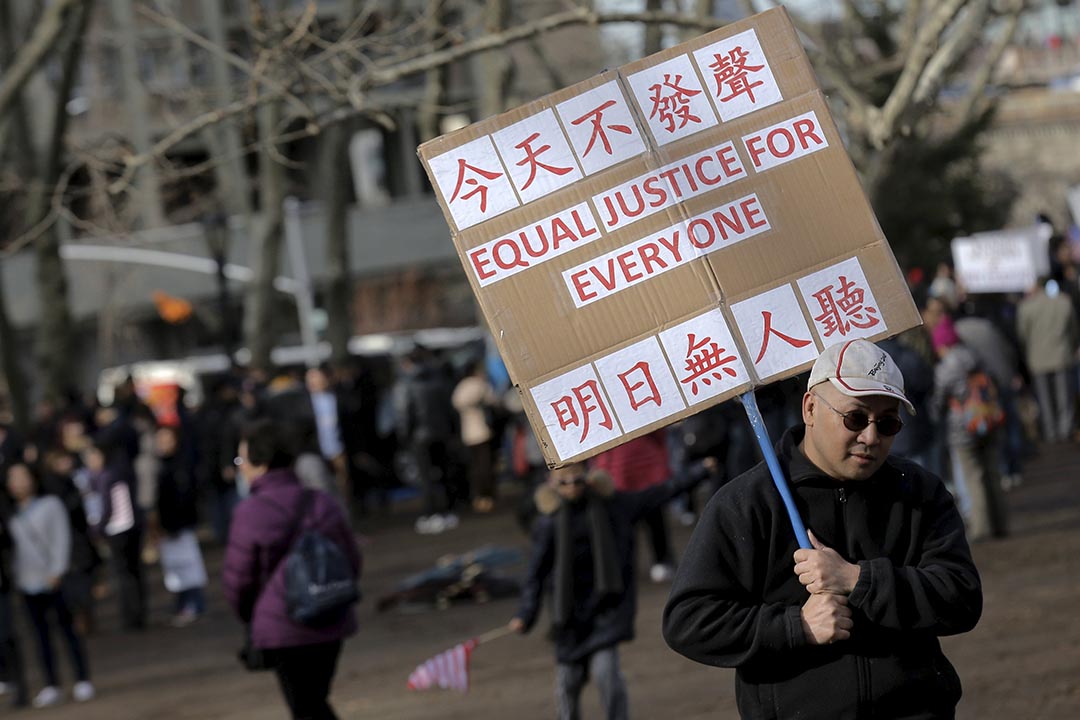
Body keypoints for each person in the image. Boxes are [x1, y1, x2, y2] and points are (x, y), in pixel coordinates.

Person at [663, 338, 982, 720]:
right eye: (856, 418)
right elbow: (689, 620)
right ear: (811, 408)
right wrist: (796, 627)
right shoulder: (747, 503)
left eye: (888, 422)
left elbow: (961, 599)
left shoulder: (919, 491)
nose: (871, 437)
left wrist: (859, 579)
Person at [509, 457, 715, 720]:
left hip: (605, 609)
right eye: (564, 483)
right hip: (569, 616)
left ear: (588, 477)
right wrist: (525, 615)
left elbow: (658, 493)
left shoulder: (613, 506)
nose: (572, 488)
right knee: (568, 682)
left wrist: (699, 471)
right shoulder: (548, 523)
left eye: (577, 480)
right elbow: (535, 574)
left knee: (607, 676)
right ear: (552, 485)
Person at [223, 419, 361, 720]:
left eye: (241, 459)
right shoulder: (321, 501)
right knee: (314, 700)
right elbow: (351, 558)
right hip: (330, 616)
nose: (240, 467)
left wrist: (251, 616)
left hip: (283, 625)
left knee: (306, 705)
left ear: (259, 463)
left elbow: (239, 579)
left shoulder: (251, 512)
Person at [5, 463, 94, 708]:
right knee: (40, 636)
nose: (17, 483)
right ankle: (51, 684)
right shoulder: (9, 513)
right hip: (26, 582)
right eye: (13, 478)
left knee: (68, 631)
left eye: (22, 477)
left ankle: (82, 679)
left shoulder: (51, 505)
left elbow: (61, 538)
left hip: (54, 579)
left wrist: (57, 570)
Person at [931, 320, 1009, 541]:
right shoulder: (976, 357)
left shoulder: (946, 367)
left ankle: (982, 526)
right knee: (993, 472)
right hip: (988, 419)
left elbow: (938, 401)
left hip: (962, 428)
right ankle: (1001, 522)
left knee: (974, 475)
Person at [84, 436, 146, 631]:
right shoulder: (120, 472)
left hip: (117, 530)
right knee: (135, 573)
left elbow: (106, 507)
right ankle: (137, 614)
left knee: (124, 575)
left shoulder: (106, 476)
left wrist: (97, 529)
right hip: (130, 528)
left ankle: (131, 616)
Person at [154, 426, 207, 626]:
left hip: (180, 524)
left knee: (188, 566)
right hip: (171, 526)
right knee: (176, 568)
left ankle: (192, 604)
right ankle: (185, 603)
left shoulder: (181, 466)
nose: (163, 444)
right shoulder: (163, 465)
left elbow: (185, 496)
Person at [1016, 276, 1079, 443]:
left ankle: (1051, 432)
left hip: (1038, 358)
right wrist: (1072, 348)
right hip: (1061, 355)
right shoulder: (1064, 303)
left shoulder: (1026, 307)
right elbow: (1073, 330)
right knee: (1064, 397)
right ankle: (1065, 429)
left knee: (1044, 399)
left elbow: (1022, 336)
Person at [451, 359, 500, 513]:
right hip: (482, 431)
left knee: (475, 467)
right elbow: (494, 401)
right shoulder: (480, 384)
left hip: (468, 433)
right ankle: (488, 497)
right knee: (486, 465)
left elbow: (456, 403)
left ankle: (478, 498)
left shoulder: (461, 386)